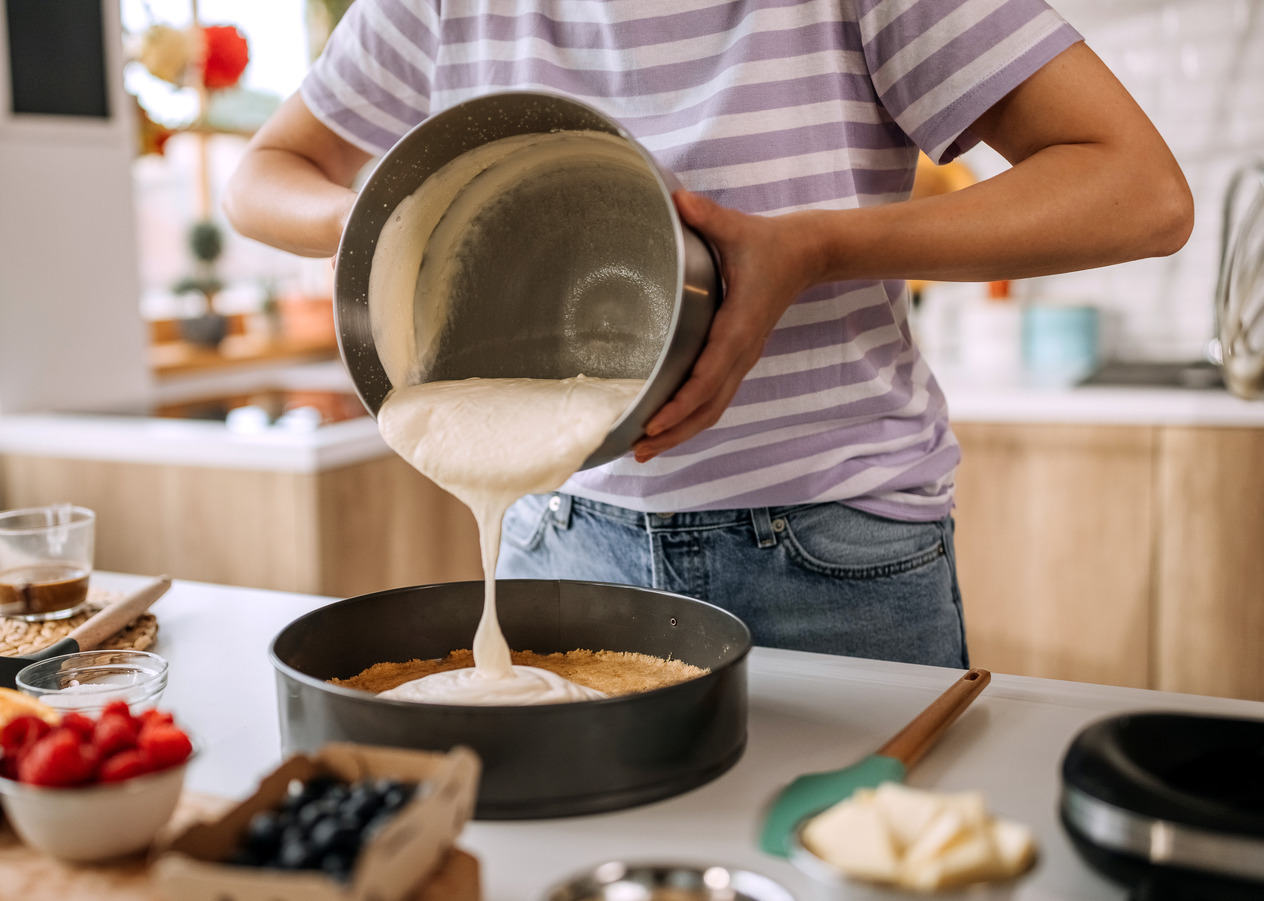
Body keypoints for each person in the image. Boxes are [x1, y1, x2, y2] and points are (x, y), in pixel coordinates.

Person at [222, 0, 1192, 668]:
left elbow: (1138, 191)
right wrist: (388, 219)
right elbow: (265, 173)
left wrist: (811, 247)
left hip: (830, 556)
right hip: (558, 538)